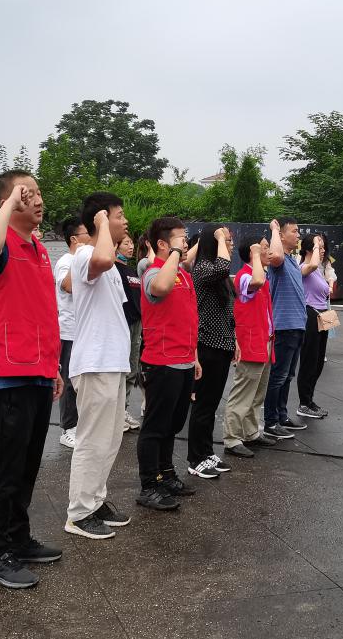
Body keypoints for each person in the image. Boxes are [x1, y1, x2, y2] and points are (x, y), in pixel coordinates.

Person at [0, 170, 65, 589]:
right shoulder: (2, 244)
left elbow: (40, 311)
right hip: (10, 371)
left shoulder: (38, 248)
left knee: (27, 465)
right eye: (28, 194)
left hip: (39, 369)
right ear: (5, 203)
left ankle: (19, 538)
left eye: (38, 192)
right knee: (5, 469)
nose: (37, 199)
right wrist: (11, 201)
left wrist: (54, 367)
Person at [64, 192, 133, 539]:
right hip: (95, 362)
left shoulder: (110, 264)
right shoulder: (85, 255)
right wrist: (104, 223)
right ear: (101, 219)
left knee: (109, 439)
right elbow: (102, 258)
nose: (125, 222)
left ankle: (95, 500)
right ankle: (79, 513)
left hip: (112, 361)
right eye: (119, 216)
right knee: (92, 440)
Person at [135, 216, 201, 510]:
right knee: (155, 426)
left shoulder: (183, 275)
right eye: (180, 239)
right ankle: (149, 485)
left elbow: (188, 318)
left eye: (185, 239)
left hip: (184, 360)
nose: (185, 243)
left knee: (173, 424)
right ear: (162, 244)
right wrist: (174, 254)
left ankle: (167, 475)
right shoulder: (153, 272)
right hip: (161, 362)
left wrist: (195, 357)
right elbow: (160, 288)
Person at [187, 224, 236, 479]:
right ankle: (196, 458)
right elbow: (223, 266)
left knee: (212, 403)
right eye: (226, 240)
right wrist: (218, 236)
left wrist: (234, 340)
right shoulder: (203, 268)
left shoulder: (216, 273)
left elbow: (228, 311)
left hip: (223, 343)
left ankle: (206, 452)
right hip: (207, 344)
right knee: (203, 404)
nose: (230, 245)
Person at [223, 234, 276, 458]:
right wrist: (255, 254)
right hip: (251, 343)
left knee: (257, 393)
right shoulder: (246, 276)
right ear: (252, 252)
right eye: (264, 248)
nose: (268, 252)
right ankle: (232, 438)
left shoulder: (259, 274)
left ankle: (251, 432)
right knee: (244, 392)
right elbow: (257, 282)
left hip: (264, 341)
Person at [261, 217, 308, 439]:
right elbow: (276, 255)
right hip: (284, 326)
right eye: (294, 231)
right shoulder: (278, 261)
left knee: (288, 376)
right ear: (281, 236)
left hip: (296, 325)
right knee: (278, 376)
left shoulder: (291, 261)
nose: (298, 235)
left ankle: (281, 416)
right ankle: (270, 422)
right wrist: (274, 228)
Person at [53, 215, 90, 449]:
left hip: (85, 331)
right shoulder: (66, 261)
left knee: (83, 381)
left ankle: (80, 425)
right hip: (69, 332)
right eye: (87, 233)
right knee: (68, 381)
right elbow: (67, 286)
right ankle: (68, 428)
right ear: (74, 239)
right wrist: (79, 258)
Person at [296, 233, 332, 419]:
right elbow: (312, 265)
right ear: (309, 249)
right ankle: (304, 403)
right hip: (311, 315)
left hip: (323, 315)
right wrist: (316, 246)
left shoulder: (318, 270)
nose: (323, 249)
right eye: (319, 246)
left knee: (318, 362)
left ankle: (309, 400)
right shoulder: (304, 267)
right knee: (309, 361)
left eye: (323, 246)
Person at [115, 233, 143, 432]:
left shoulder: (131, 270)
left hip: (137, 324)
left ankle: (123, 410)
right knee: (121, 369)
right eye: (126, 243)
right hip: (123, 323)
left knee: (132, 368)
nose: (131, 246)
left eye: (132, 243)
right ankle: (116, 413)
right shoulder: (113, 269)